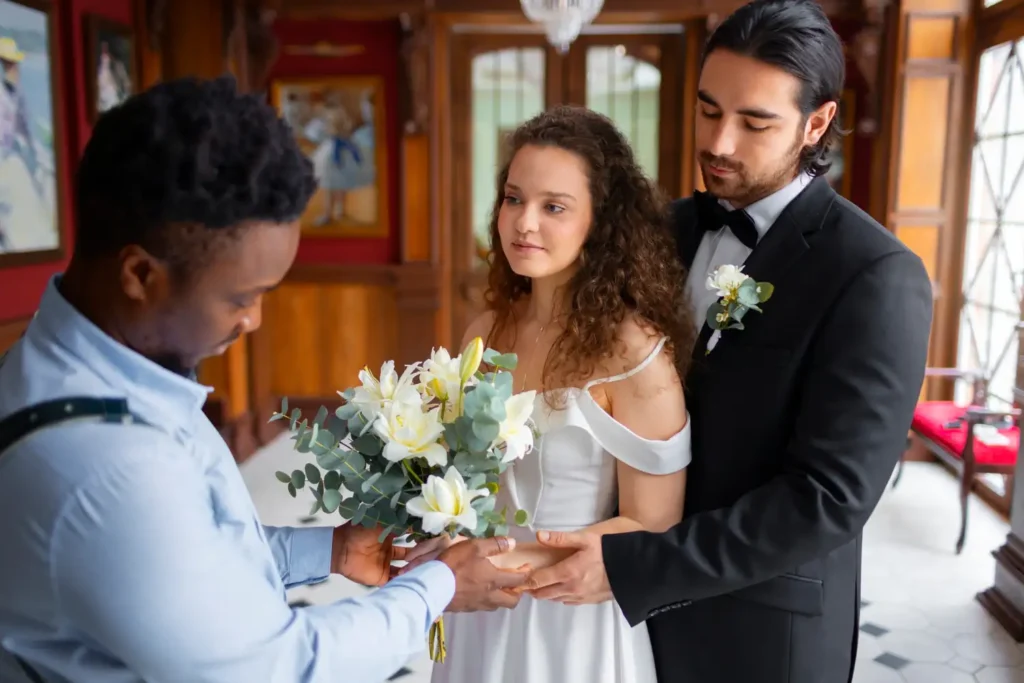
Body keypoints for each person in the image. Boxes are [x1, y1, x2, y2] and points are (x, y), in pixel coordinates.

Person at [0, 76, 526, 683]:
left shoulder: (89, 365)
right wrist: (441, 585)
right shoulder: (107, 466)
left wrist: (326, 551)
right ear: (141, 274)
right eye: (241, 297)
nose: (252, 321)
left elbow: (189, 566)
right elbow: (278, 667)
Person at [517, 1, 934, 682]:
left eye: (755, 122)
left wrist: (635, 565)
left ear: (817, 122)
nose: (720, 142)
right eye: (709, 110)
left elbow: (825, 499)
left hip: (758, 633)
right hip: (617, 630)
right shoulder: (659, 230)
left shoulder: (875, 275)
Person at [402, 106, 697, 682]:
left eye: (553, 207)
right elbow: (462, 477)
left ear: (601, 223)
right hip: (477, 608)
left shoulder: (634, 355)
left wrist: (514, 564)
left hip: (571, 618)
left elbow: (656, 522)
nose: (523, 223)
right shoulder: (484, 332)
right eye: (514, 199)